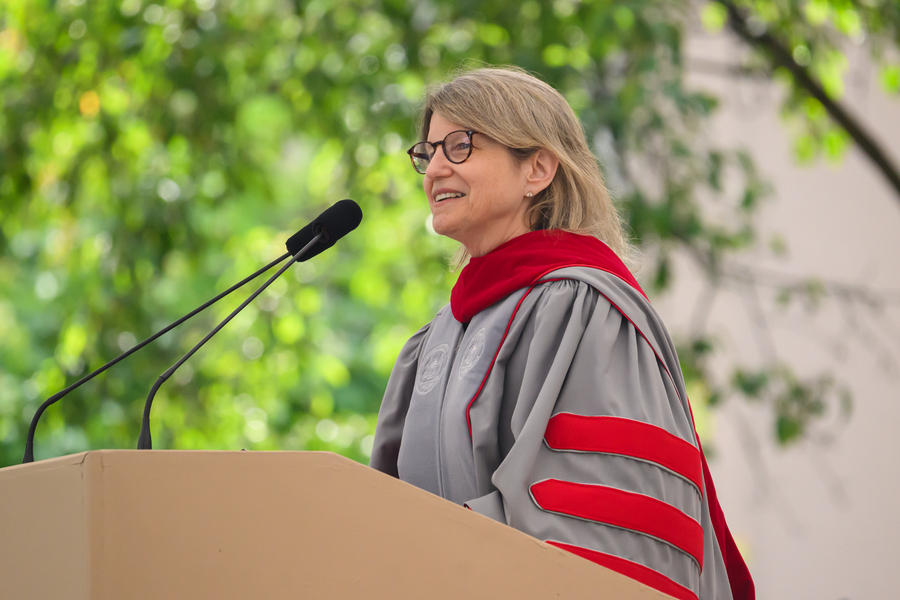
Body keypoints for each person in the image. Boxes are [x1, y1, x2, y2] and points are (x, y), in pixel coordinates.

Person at [370, 66, 754, 600]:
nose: (435, 168)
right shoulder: (433, 342)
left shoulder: (586, 309)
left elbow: (601, 528)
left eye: (460, 147)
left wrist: (435, 553)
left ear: (538, 170)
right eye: (427, 152)